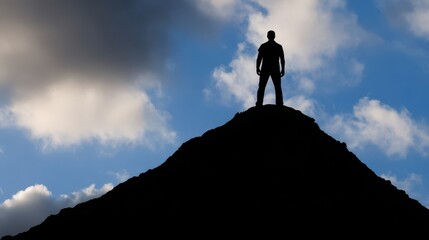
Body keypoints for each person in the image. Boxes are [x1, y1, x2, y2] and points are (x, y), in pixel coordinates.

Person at [256, 30, 285, 106]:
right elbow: (282, 59)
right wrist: (283, 69)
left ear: (267, 36)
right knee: (276, 87)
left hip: (267, 68)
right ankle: (279, 103)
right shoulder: (278, 46)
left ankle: (259, 103)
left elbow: (259, 58)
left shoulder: (264, 46)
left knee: (263, 86)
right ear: (274, 36)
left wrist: (257, 67)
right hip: (273, 68)